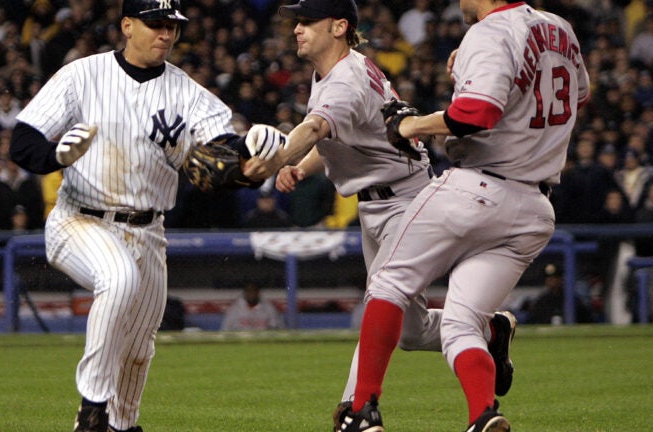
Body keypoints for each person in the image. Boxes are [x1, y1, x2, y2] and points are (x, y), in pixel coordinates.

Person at [9, 1, 286, 431]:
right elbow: (22, 138)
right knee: (117, 277)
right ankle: (93, 410)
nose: (166, 34)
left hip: (149, 231)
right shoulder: (83, 75)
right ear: (127, 25)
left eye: (172, 25)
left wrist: (252, 152)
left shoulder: (188, 92)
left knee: (139, 347)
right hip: (80, 219)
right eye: (155, 24)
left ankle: (122, 424)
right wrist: (53, 155)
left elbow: (220, 160)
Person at [245, 2, 517, 430]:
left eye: (306, 21)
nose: (296, 29)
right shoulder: (339, 71)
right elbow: (337, 137)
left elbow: (316, 128)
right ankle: (488, 332)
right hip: (378, 201)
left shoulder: (346, 79)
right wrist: (299, 167)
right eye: (295, 21)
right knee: (408, 331)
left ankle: (358, 410)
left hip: (404, 200)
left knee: (380, 300)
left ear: (339, 26)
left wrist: (277, 157)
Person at [344, 0, 590, 430]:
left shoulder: (489, 31)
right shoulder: (561, 29)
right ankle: (484, 415)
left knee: (388, 282)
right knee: (461, 324)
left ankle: (361, 409)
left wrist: (412, 126)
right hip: (534, 208)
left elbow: (478, 113)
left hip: (478, 187)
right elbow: (575, 97)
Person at [521, 263, 594, 324]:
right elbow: (530, 322)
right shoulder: (541, 301)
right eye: (548, 278)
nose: (551, 281)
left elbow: (588, 321)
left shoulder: (572, 299)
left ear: (560, 279)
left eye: (554, 278)